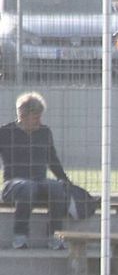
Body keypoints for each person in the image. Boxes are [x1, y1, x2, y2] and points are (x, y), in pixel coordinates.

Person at [0, 92, 71, 250]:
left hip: (40, 182)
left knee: (57, 188)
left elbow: (52, 160)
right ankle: (20, 236)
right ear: (22, 116)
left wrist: (65, 180)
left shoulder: (45, 132)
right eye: (35, 117)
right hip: (13, 184)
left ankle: (55, 237)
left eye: (40, 116)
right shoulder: (4, 132)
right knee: (27, 187)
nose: (39, 121)